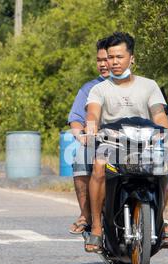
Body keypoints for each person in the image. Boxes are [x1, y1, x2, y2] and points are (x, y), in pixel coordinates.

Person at [84, 32, 168, 252]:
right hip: (113, 145)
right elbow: (92, 113)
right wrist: (91, 125)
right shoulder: (99, 89)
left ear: (132, 58)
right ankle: (98, 230)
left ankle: (160, 219)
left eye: (119, 56)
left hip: (144, 146)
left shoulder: (149, 86)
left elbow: (159, 116)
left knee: (167, 164)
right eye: (110, 57)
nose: (114, 62)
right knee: (98, 165)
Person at [67, 38, 109, 234]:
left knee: (167, 161)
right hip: (98, 143)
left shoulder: (138, 85)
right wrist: (81, 136)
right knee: (81, 155)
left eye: (108, 59)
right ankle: (86, 214)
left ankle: (158, 218)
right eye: (99, 60)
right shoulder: (89, 88)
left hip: (131, 143)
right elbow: (76, 118)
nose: (103, 64)